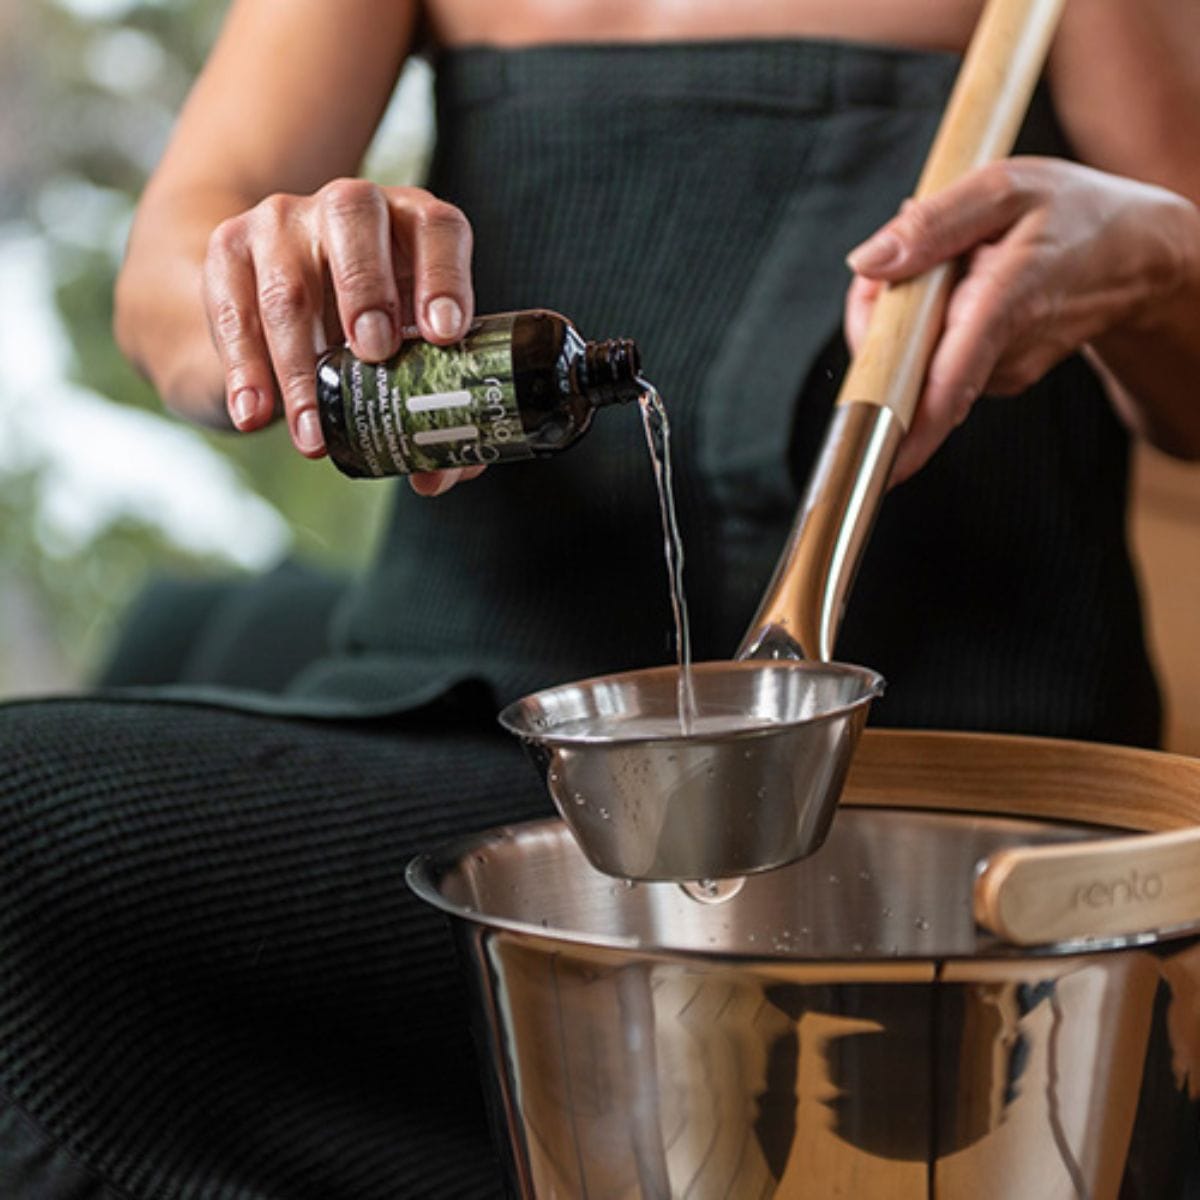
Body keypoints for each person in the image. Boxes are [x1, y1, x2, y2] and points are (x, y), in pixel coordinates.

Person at [1, 1, 1198, 1196]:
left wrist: (1153, 257)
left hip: (947, 791)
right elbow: (163, 287)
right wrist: (268, 297)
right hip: (494, 749)